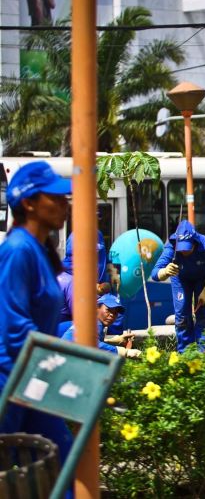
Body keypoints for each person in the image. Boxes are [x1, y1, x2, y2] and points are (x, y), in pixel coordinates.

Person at [0, 161, 73, 481]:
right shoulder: (18, 250)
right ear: (28, 204)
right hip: (11, 379)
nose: (64, 204)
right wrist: (66, 368)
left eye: (65, 197)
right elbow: (16, 329)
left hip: (33, 376)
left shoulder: (40, 251)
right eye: (54, 198)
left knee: (62, 462)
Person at [151, 220, 205, 353]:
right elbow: (155, 274)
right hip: (180, 279)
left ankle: (204, 355)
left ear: (194, 241)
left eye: (188, 247)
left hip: (203, 278)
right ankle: (185, 355)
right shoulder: (171, 247)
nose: (184, 251)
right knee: (182, 316)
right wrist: (165, 271)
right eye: (181, 248)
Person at [61, 294, 140, 358]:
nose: (112, 315)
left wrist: (117, 340)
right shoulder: (95, 323)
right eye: (108, 310)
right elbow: (92, 344)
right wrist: (125, 352)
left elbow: (92, 340)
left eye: (115, 313)